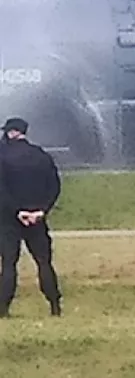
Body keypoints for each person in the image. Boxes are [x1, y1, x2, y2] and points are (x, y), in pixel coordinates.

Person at [0, 117, 63, 318]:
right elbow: (54, 186)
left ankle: (3, 308)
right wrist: (41, 210)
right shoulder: (41, 155)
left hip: (9, 218)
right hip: (37, 218)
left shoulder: (2, 156)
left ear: (11, 133)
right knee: (44, 262)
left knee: (9, 263)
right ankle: (54, 305)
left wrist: (18, 211)